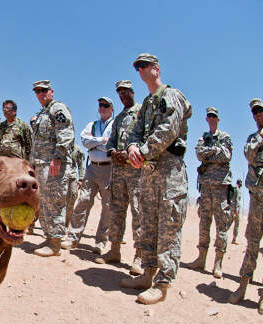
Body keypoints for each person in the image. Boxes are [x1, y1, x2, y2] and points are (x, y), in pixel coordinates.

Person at [123, 53, 192, 305]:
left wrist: (142, 150)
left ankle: (163, 284)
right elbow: (135, 130)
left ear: (156, 68)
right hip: (149, 172)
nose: (140, 70)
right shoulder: (147, 103)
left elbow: (168, 130)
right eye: (137, 67)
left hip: (170, 172)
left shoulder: (170, 96)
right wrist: (132, 146)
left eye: (144, 66)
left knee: (168, 229)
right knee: (148, 225)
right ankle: (147, 274)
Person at [95, 80, 143, 274]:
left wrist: (132, 152)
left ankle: (140, 256)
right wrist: (114, 151)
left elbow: (146, 137)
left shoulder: (142, 112)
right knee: (116, 209)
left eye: (126, 92)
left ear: (132, 92)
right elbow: (112, 141)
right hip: (118, 170)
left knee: (139, 212)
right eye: (120, 93)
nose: (123, 96)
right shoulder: (120, 117)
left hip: (137, 169)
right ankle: (114, 250)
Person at [61, 97, 114, 255]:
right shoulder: (92, 125)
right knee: (83, 201)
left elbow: (112, 144)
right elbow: (84, 141)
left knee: (107, 206)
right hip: (92, 168)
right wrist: (101, 140)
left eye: (106, 105)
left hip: (109, 169)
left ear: (111, 108)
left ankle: (101, 242)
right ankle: (73, 237)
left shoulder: (115, 125)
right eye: (100, 105)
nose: (102, 108)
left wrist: (96, 142)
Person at [229, 98, 263, 315]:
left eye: (260, 111)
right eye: (254, 113)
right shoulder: (253, 139)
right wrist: (260, 139)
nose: (258, 115)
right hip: (257, 200)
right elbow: (249, 155)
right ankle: (242, 286)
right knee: (252, 243)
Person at [186, 107, 233, 278]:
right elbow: (199, 154)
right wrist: (214, 151)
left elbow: (226, 156)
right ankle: (201, 258)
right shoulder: (203, 137)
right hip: (206, 186)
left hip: (221, 186)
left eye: (214, 116)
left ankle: (218, 263)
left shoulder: (225, 136)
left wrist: (210, 152)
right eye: (209, 116)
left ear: (218, 120)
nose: (211, 118)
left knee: (221, 224)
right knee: (204, 222)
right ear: (206, 119)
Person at [30, 80, 75, 257]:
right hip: (41, 164)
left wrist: (58, 158)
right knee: (45, 202)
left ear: (51, 92)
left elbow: (65, 135)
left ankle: (55, 243)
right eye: (37, 92)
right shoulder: (43, 113)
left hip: (54, 165)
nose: (40, 94)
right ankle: (49, 237)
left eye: (44, 91)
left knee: (55, 202)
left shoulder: (58, 109)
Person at [66, 144, 85, 227]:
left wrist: (81, 178)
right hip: (58, 177)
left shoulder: (77, 149)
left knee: (72, 197)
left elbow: (81, 165)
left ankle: (66, 222)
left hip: (72, 177)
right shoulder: (58, 146)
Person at [231, 178, 243, 244]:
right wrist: (236, 211)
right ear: (239, 183)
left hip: (232, 209)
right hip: (236, 210)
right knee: (236, 224)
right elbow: (237, 201)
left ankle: (220, 235)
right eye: (241, 183)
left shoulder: (234, 189)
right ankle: (234, 239)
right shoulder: (237, 190)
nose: (242, 184)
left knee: (228, 223)